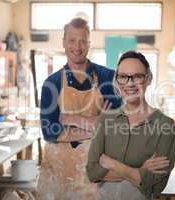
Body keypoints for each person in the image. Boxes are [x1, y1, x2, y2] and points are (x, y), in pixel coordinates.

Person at [37, 18, 121, 200]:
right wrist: (96, 126)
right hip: (58, 173)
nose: (77, 46)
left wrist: (70, 119)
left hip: (96, 172)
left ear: (89, 44)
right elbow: (49, 132)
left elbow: (116, 128)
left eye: (83, 40)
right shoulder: (51, 84)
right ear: (64, 43)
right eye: (72, 40)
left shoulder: (108, 77)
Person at [87, 51, 175, 200]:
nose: (129, 83)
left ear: (148, 79)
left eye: (137, 76)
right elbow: (92, 172)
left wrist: (114, 164)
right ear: (116, 80)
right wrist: (139, 172)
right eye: (123, 77)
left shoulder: (165, 125)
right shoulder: (105, 119)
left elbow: (156, 184)